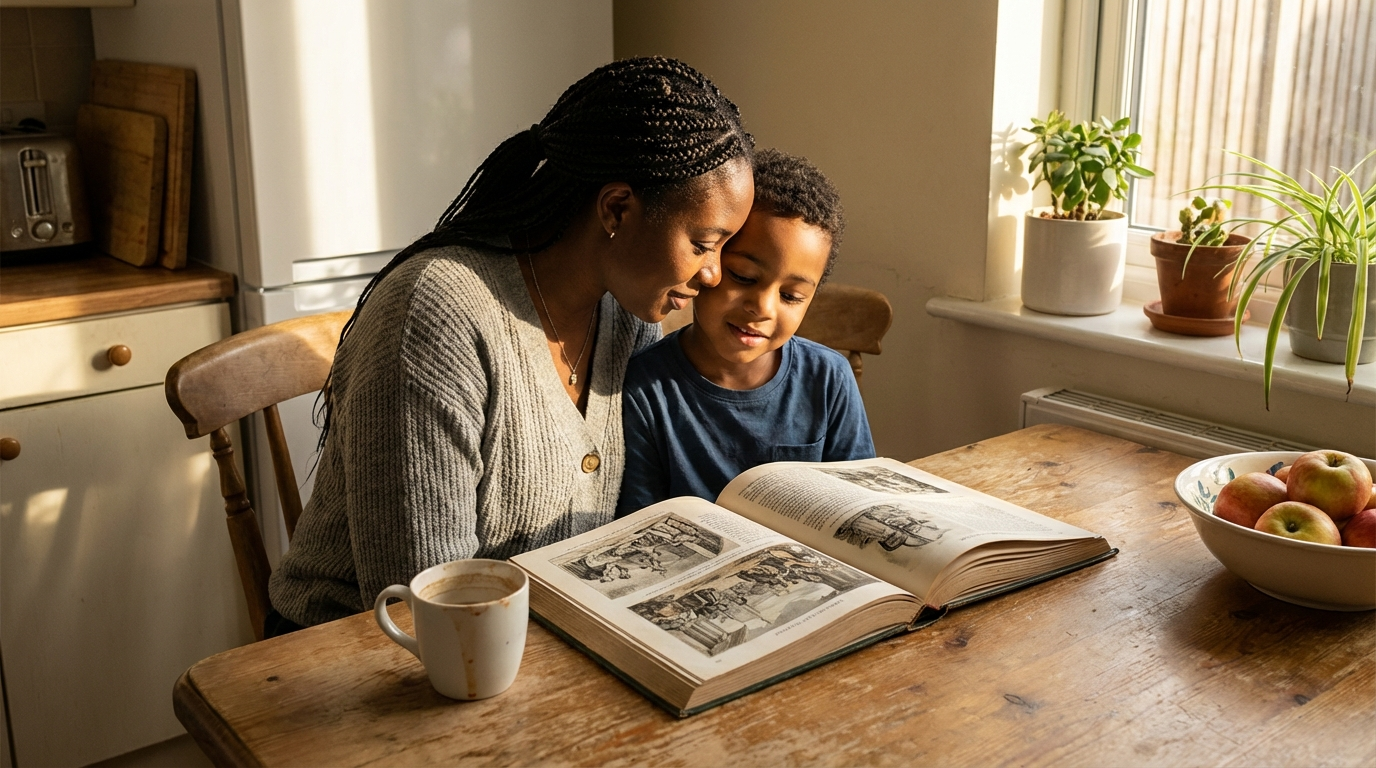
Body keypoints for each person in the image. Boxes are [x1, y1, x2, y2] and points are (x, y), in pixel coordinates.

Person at [264, 57, 755, 634]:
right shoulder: (436, 315)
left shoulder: (627, 314)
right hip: (358, 658)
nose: (714, 275)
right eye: (703, 243)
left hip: (531, 638)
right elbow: (430, 604)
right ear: (617, 209)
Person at [616, 149, 875, 517]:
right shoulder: (646, 387)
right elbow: (637, 525)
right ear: (709, 260)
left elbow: (858, 511)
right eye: (743, 277)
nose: (763, 308)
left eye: (791, 296)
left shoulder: (829, 379)